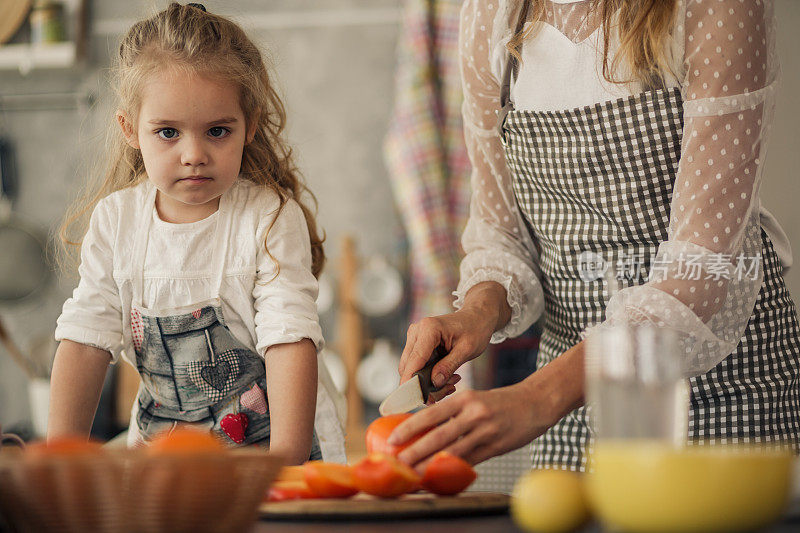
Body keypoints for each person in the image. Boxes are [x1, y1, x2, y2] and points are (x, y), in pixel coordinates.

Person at [390, 0, 799, 471]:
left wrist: (536, 397)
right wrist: (477, 311)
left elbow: (698, 270)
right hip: (572, 409)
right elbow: (500, 235)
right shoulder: (490, 13)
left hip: (720, 395)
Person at [48, 3, 346, 465]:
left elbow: (290, 341)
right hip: (164, 462)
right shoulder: (116, 221)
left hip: (274, 452)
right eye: (168, 132)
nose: (193, 154)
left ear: (248, 125)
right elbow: (86, 342)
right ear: (130, 129)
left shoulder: (266, 217)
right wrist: (57, 461)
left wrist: (284, 464)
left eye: (217, 131)